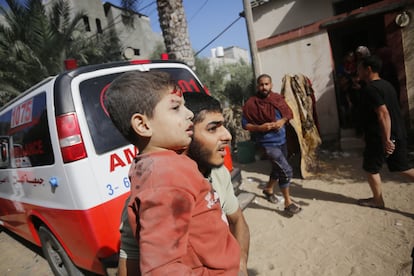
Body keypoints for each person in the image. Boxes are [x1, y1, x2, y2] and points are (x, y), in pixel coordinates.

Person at [104, 71, 240, 275]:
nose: (189, 114)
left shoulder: (163, 167)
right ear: (142, 125)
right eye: (176, 107)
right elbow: (161, 269)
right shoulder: (165, 177)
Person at [356, 55, 414, 209]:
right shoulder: (387, 85)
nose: (358, 71)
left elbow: (383, 113)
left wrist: (386, 139)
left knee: (370, 168)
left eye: (360, 68)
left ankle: (377, 200)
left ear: (368, 69)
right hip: (397, 133)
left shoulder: (370, 89)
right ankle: (377, 199)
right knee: (403, 167)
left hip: (381, 137)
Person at [242, 74, 302, 216]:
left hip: (282, 141)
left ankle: (268, 190)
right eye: (261, 84)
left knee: (277, 168)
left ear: (271, 85)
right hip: (267, 144)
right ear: (257, 86)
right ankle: (288, 203)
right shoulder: (252, 103)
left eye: (266, 84)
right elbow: (245, 125)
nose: (264, 87)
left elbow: (288, 113)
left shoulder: (277, 99)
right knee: (286, 170)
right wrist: (260, 128)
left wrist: (282, 121)